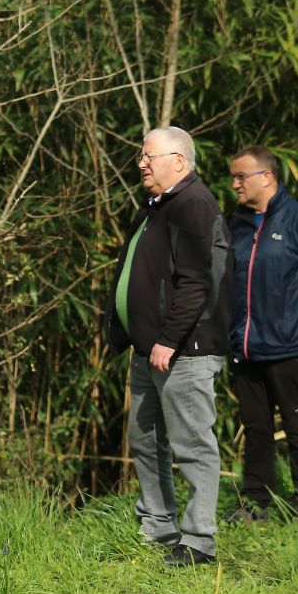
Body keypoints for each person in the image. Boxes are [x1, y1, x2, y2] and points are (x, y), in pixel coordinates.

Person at [107, 127, 231, 567]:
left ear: (178, 161)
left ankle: (199, 541)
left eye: (148, 155)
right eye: (141, 155)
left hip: (184, 350)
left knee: (192, 444)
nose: (141, 163)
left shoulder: (194, 205)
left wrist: (168, 338)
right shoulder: (157, 206)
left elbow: (197, 280)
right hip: (149, 349)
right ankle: (158, 525)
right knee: (146, 439)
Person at [226, 146, 298, 522]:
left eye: (241, 176)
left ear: (267, 177)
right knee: (256, 428)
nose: (235, 184)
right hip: (245, 346)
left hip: (290, 345)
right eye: (233, 176)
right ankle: (255, 502)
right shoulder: (235, 224)